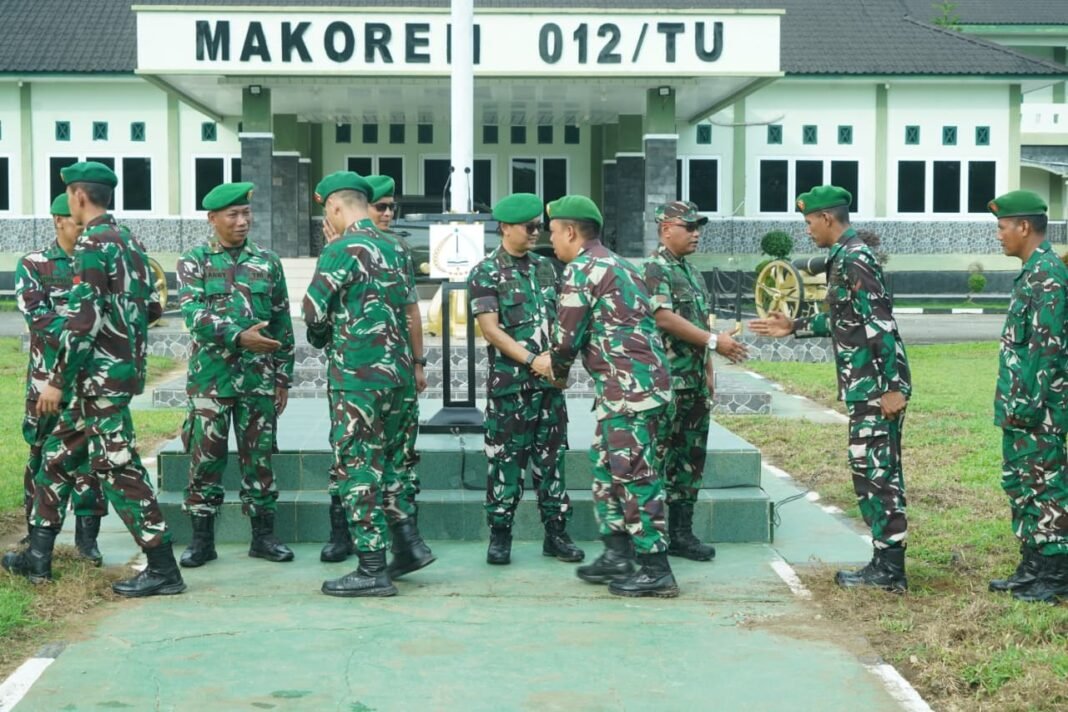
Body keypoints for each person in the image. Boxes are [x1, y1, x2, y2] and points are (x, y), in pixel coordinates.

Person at [2, 161, 185, 597]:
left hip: (95, 381)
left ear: (78, 196)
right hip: (114, 377)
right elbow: (149, 309)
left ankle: (163, 567)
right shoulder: (130, 242)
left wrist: (57, 380)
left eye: (69, 195)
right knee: (55, 458)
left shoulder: (92, 243)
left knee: (119, 469)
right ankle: (37, 558)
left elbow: (84, 321)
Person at [749, 185, 911, 592]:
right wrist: (794, 326)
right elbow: (846, 319)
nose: (808, 230)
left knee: (878, 473)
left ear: (826, 218)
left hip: (877, 388)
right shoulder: (844, 257)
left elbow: (880, 323)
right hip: (866, 386)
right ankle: (884, 563)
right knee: (868, 470)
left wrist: (892, 387)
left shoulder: (855, 258)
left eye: (809, 222)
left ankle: (890, 571)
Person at [531, 195, 678, 598]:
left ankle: (656, 568)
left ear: (571, 232)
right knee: (605, 467)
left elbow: (566, 339)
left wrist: (554, 371)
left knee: (633, 475)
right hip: (637, 386)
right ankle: (617, 553)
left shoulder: (583, 270)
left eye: (553, 232)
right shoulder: (620, 264)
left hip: (629, 390)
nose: (550, 240)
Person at [304, 171, 435, 597]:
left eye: (328, 212)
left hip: (357, 379)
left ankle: (372, 568)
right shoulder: (396, 247)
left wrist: (322, 336)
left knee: (357, 467)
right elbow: (411, 311)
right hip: (398, 376)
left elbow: (312, 311)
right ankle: (409, 545)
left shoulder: (339, 250)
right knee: (395, 465)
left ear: (335, 207)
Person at [176, 181, 295, 567]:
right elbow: (193, 315)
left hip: (258, 380)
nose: (243, 221)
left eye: (246, 213)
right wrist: (239, 337)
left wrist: (282, 377)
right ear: (213, 218)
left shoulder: (268, 261)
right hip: (211, 380)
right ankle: (201, 541)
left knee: (259, 460)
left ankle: (264, 537)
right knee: (205, 460)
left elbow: (281, 323)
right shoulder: (194, 260)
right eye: (233, 215)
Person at [467, 192, 583, 565]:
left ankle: (556, 534)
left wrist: (559, 363)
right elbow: (491, 330)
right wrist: (534, 360)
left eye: (538, 227)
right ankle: (500, 536)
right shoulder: (485, 272)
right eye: (529, 227)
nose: (536, 233)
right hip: (511, 388)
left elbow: (565, 320)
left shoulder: (548, 268)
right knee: (505, 463)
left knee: (552, 463)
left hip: (550, 387)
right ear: (505, 227)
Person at [644, 200, 748, 562]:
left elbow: (700, 325)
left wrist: (708, 373)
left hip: (693, 384)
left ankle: (681, 534)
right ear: (665, 229)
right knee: (656, 460)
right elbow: (663, 318)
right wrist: (715, 342)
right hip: (666, 384)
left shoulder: (691, 273)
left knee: (689, 461)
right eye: (688, 227)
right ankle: (647, 539)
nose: (696, 234)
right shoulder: (654, 269)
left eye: (697, 227)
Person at [11, 194, 108, 563]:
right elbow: (38, 317)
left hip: (89, 382)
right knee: (40, 454)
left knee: (89, 459)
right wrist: (83, 331)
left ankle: (87, 541)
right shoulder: (34, 264)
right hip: (46, 382)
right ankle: (35, 536)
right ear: (58, 220)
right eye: (79, 223)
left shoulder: (97, 262)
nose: (86, 230)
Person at [986, 190, 1068, 604]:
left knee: (1046, 485)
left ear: (1023, 227)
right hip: (1021, 407)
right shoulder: (1032, 272)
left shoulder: (1048, 274)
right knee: (1022, 485)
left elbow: (1046, 348)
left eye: (1002, 227)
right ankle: (1033, 565)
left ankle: (1056, 573)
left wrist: (1027, 407)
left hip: (1039, 410)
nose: (998, 235)